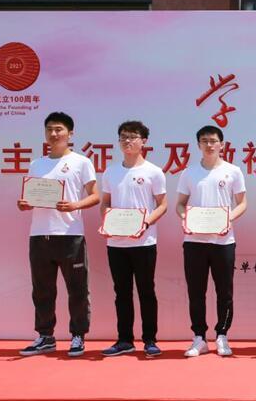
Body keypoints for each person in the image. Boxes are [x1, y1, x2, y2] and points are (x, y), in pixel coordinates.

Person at [17, 112, 100, 357]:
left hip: (70, 235)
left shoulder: (81, 162)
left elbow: (95, 195)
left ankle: (78, 335)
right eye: (49, 130)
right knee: (42, 289)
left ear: (70, 133)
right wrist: (25, 204)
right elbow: (31, 195)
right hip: (39, 234)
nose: (54, 134)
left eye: (59, 129)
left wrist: (75, 205)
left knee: (77, 289)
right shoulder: (36, 164)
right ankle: (45, 336)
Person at [176, 125, 247, 357]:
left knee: (224, 291)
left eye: (213, 141)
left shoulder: (233, 171)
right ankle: (199, 337)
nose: (209, 145)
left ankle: (222, 335)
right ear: (198, 145)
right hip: (194, 240)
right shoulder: (189, 173)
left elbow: (242, 203)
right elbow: (180, 204)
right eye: (204, 141)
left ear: (222, 144)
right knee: (196, 291)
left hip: (223, 241)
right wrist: (186, 217)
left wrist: (227, 219)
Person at [99, 120, 168, 357]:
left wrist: (145, 222)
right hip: (116, 243)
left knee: (146, 291)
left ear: (143, 141)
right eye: (123, 137)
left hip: (144, 242)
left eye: (133, 137)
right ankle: (124, 340)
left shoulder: (153, 172)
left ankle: (150, 340)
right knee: (122, 293)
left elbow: (163, 205)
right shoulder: (110, 172)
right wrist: (107, 221)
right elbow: (105, 203)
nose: (128, 141)